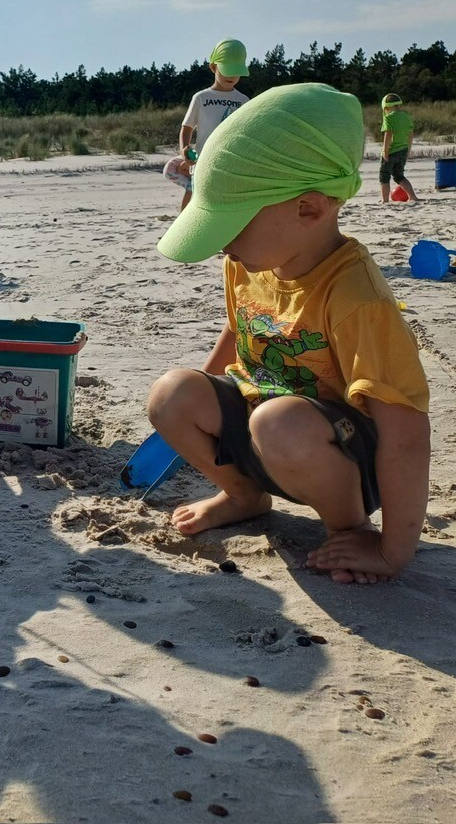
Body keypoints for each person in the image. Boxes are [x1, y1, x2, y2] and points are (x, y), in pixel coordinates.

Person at [145, 83, 431, 585]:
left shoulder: (356, 296)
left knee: (278, 422)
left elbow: (406, 434)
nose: (222, 245)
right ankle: (244, 495)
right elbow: (240, 329)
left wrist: (394, 549)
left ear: (309, 209)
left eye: (231, 223)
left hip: (337, 455)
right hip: (264, 427)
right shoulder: (250, 260)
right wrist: (198, 399)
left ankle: (350, 529)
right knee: (172, 393)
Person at [163, 39, 250, 210]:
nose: (232, 77)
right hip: (203, 163)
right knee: (197, 200)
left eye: (236, 72)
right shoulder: (201, 98)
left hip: (230, 164)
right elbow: (187, 127)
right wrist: (184, 149)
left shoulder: (243, 101)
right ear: (213, 67)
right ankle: (184, 223)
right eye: (227, 71)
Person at [378, 93, 419, 202]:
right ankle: (413, 197)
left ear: (386, 107)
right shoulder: (407, 117)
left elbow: (388, 134)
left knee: (384, 176)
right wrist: (408, 150)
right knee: (399, 176)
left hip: (391, 151)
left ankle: (385, 200)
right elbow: (410, 135)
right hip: (403, 150)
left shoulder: (388, 118)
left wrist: (385, 151)